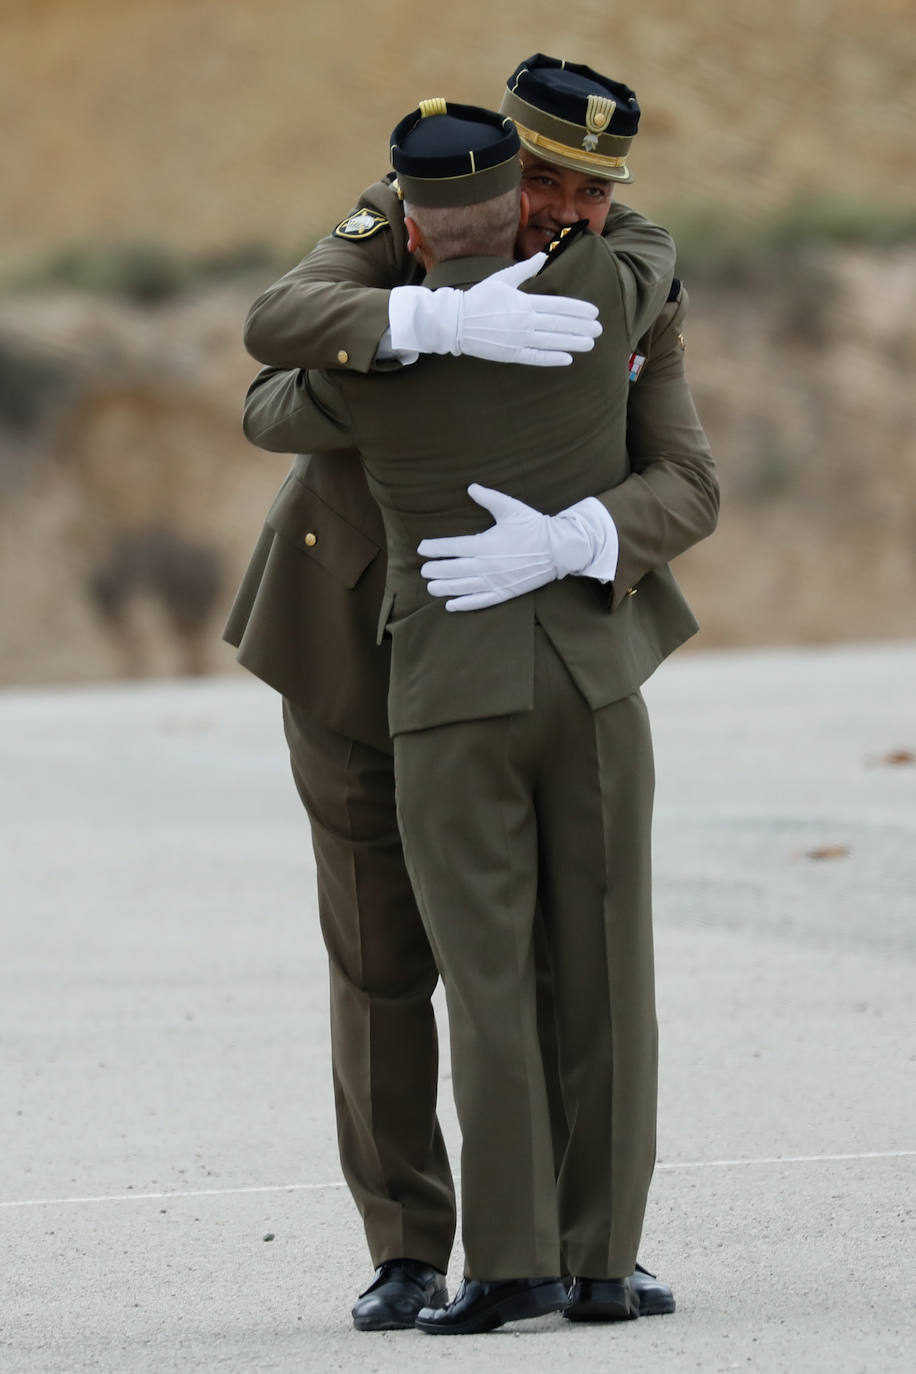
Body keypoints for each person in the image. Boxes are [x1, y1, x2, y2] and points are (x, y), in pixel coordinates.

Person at [227, 54, 718, 1330]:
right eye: (546, 183)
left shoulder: (618, 269)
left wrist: (578, 536)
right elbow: (271, 367)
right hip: (352, 644)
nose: (567, 213)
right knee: (382, 958)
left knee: (558, 950)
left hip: (533, 634)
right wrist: (417, 326)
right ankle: (407, 1248)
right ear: (496, 174)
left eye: (594, 192)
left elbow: (681, 478)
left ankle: (571, 1241)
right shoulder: (397, 228)